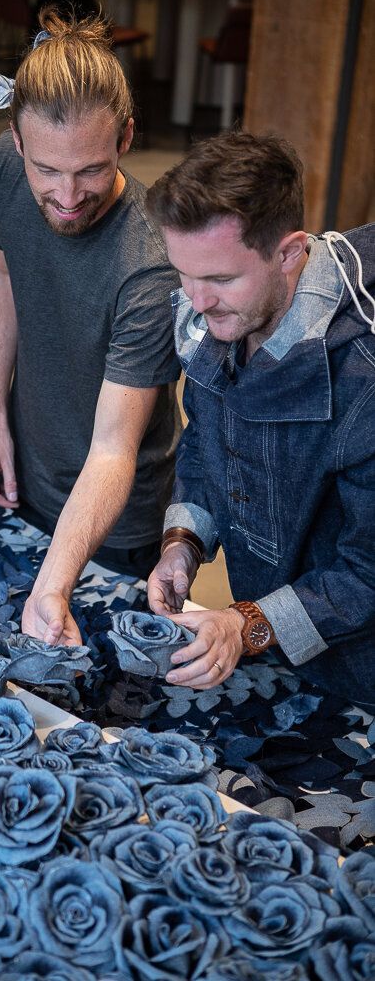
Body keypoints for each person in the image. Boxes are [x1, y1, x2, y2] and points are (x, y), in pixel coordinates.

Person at [0, 9, 181, 645]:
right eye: (48, 170)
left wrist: (54, 584)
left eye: (89, 169)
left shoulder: (150, 266)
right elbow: (0, 274)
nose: (66, 195)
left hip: (115, 520)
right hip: (25, 468)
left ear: (126, 137)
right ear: (17, 140)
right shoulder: (7, 165)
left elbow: (115, 449)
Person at [146, 130, 375, 707]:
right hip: (272, 637)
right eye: (184, 273)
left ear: (290, 252)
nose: (196, 301)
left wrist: (244, 624)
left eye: (221, 279)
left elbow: (368, 572)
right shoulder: (212, 312)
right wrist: (184, 540)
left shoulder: (363, 378)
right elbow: (206, 440)